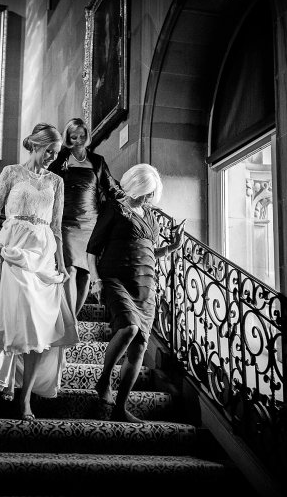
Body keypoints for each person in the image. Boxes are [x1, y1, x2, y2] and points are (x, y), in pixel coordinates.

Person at [0, 123, 78, 421]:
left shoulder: (56, 182)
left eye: (57, 154)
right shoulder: (11, 173)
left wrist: (60, 262)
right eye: (49, 151)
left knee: (37, 327)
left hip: (42, 256)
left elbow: (56, 227)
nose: (52, 158)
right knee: (12, 318)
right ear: (35, 145)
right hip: (11, 251)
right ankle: (3, 378)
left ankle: (25, 398)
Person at [86, 164, 184, 423]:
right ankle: (104, 380)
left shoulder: (151, 216)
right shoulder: (114, 209)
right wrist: (95, 280)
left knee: (140, 348)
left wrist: (172, 247)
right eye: (145, 192)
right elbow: (92, 249)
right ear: (134, 185)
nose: (148, 198)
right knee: (129, 328)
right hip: (116, 277)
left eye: (151, 193)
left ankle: (120, 407)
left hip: (146, 285)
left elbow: (151, 251)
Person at [48, 118, 121, 316]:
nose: (78, 140)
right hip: (66, 222)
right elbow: (46, 186)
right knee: (70, 268)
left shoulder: (97, 161)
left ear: (87, 136)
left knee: (86, 272)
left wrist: (129, 200)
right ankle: (69, 320)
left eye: (82, 136)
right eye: (74, 137)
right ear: (68, 138)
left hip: (91, 222)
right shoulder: (59, 158)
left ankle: (72, 319)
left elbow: (111, 187)